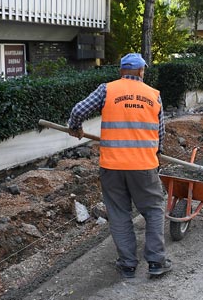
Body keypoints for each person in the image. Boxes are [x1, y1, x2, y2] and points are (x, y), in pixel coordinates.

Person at [67, 53, 172, 279]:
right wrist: (158, 153)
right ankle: (156, 262)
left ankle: (127, 265)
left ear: (121, 72)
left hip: (112, 167)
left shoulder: (107, 90)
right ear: (142, 72)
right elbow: (160, 133)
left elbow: (77, 111)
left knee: (119, 214)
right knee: (153, 210)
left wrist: (75, 127)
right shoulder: (154, 95)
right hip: (144, 166)